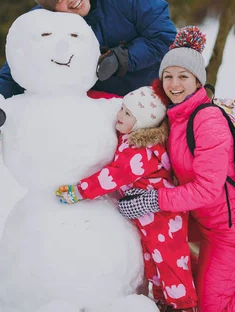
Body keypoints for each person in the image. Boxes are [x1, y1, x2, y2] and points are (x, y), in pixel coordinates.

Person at [116, 27, 235, 312]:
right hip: (202, 223)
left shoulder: (208, 121)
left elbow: (206, 189)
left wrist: (153, 200)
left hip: (231, 230)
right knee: (183, 280)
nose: (174, 84)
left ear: (197, 81)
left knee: (212, 309)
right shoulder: (177, 116)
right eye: (168, 76)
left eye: (183, 76)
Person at [0, 0, 177, 130]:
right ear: (50, 9)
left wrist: (123, 58)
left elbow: (164, 37)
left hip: (154, 101)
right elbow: (20, 69)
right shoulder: (44, 24)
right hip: (107, 118)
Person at [55, 86, 197, 312]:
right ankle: (162, 302)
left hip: (163, 216)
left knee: (170, 264)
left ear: (142, 123)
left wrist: (80, 191)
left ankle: (183, 306)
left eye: (128, 114)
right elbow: (111, 98)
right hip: (150, 216)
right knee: (153, 263)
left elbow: (113, 176)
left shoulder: (140, 151)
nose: (119, 115)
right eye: (122, 109)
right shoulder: (132, 140)